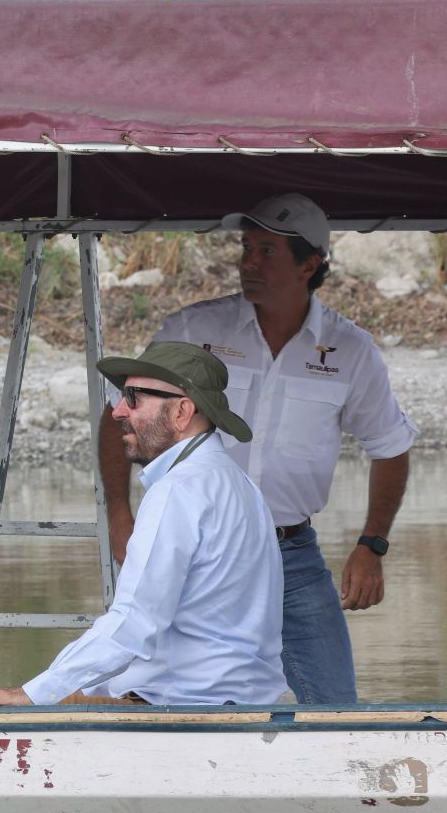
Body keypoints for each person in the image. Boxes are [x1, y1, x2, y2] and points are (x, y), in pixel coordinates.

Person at [99, 194, 417, 705]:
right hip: (198, 555)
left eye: (266, 251)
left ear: (309, 264)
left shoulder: (351, 351)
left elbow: (391, 445)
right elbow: (119, 413)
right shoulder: (193, 330)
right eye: (247, 247)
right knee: (151, 700)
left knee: (336, 713)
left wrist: (371, 545)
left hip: (292, 555)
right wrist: (118, 510)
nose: (248, 262)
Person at [0, 343, 284, 718]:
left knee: (14, 708)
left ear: (182, 411)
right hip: (240, 697)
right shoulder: (235, 481)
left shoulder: (179, 490)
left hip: (185, 704)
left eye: (134, 397)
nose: (117, 411)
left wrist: (31, 693)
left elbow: (134, 622)